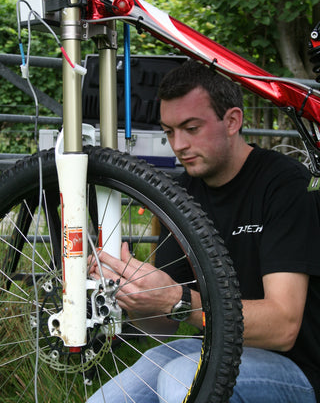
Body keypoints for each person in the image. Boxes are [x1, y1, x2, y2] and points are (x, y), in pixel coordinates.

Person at [88, 59, 320, 402]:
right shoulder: (182, 194)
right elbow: (163, 326)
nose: (178, 144)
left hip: (298, 371)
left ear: (232, 121)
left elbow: (283, 327)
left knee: (182, 376)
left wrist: (178, 302)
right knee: (117, 394)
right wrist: (135, 296)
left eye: (191, 128)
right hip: (220, 353)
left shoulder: (284, 185)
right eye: (169, 131)